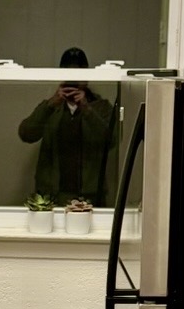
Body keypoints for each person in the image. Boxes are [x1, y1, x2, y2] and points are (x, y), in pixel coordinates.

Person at [17, 48, 116, 205]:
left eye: (78, 76)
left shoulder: (101, 107)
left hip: (90, 197)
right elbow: (26, 134)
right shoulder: (51, 107)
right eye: (68, 75)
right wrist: (49, 106)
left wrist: (87, 109)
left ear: (87, 78)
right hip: (51, 197)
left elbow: (113, 141)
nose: (73, 81)